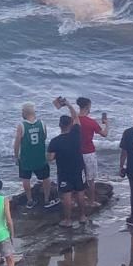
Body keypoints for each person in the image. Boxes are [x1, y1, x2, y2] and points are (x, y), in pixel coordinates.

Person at [47, 98, 87, 228]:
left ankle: (68, 220)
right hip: (79, 168)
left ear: (60, 126)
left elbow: (50, 158)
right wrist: (68, 105)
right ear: (70, 125)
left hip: (64, 170)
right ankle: (82, 216)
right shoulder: (76, 133)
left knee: (67, 194)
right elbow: (76, 117)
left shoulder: (55, 141)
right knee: (80, 191)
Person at [14, 102, 58, 210]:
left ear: (25, 112)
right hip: (40, 157)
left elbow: (17, 143)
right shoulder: (42, 124)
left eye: (22, 111)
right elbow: (44, 137)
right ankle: (47, 199)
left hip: (26, 158)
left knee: (26, 179)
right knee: (45, 178)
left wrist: (16, 156)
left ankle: (29, 200)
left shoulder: (21, 126)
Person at [77, 97, 108, 208]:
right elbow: (104, 134)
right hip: (89, 152)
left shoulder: (73, 120)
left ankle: (78, 198)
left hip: (76, 152)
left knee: (78, 177)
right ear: (87, 107)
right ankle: (91, 201)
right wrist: (106, 123)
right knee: (91, 179)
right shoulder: (91, 122)